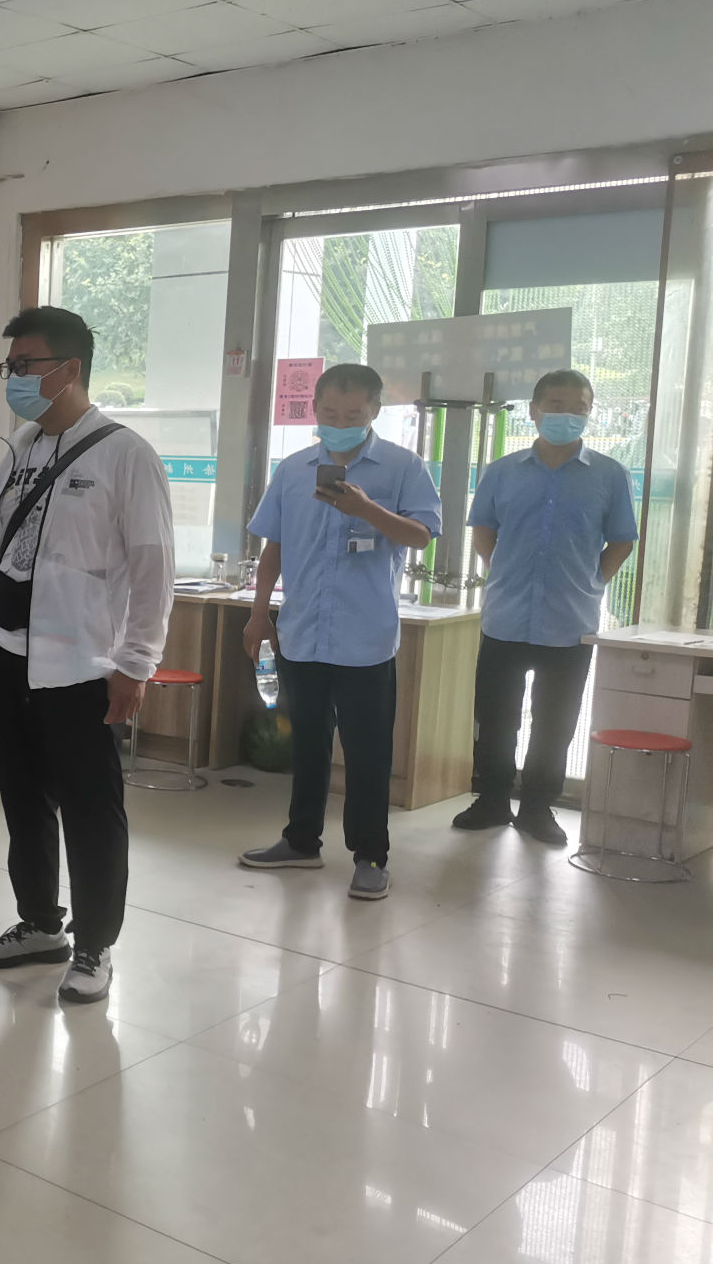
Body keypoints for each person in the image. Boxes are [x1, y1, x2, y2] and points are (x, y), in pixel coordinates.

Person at [0, 306, 174, 1004]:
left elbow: (153, 567)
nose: (14, 377)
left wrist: (136, 662)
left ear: (70, 369)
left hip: (83, 664)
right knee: (23, 800)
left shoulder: (125, 455)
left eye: (25, 364)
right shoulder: (19, 449)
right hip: (10, 655)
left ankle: (94, 945)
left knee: (90, 809)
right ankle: (39, 924)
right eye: (11, 365)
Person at [240, 363, 441, 901]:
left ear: (375, 411)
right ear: (314, 409)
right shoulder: (294, 469)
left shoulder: (403, 466)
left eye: (353, 415)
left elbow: (421, 536)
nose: (340, 422)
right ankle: (301, 841)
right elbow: (273, 546)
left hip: (365, 639)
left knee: (367, 753)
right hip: (302, 632)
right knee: (307, 744)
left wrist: (366, 508)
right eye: (330, 412)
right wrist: (259, 613)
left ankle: (371, 857)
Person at [453, 369, 638, 845]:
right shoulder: (502, 471)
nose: (567, 414)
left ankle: (537, 808)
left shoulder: (610, 475)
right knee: (496, 718)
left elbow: (621, 540)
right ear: (534, 410)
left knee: (555, 724)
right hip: (506, 616)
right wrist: (502, 569)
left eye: (579, 407)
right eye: (556, 405)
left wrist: (594, 581)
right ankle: (492, 800)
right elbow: (484, 530)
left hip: (570, 620)